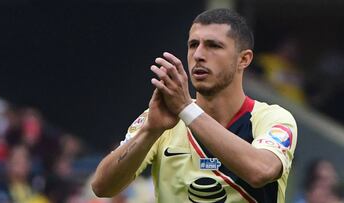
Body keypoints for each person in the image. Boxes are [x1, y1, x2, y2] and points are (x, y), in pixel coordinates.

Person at [91, 8, 297, 203]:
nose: (198, 55)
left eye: (213, 45)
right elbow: (102, 187)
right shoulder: (159, 120)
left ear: (243, 59)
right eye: (193, 45)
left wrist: (187, 109)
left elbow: (261, 170)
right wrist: (149, 131)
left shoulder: (272, 118)